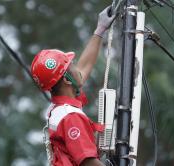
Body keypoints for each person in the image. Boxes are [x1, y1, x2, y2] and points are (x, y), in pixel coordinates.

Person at [31, 6, 116, 166]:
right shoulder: (70, 117)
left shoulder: (59, 109)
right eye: (72, 65)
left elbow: (83, 69)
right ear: (67, 80)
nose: (77, 67)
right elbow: (88, 163)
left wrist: (100, 29)